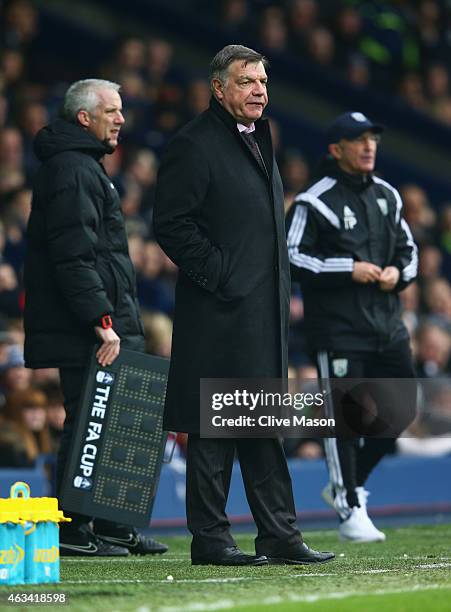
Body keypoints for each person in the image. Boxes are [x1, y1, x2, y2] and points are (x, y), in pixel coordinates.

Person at [153, 44, 334, 566]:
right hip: (218, 313)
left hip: (262, 313)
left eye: (262, 82)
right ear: (218, 88)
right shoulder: (193, 144)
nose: (259, 90)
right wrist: (222, 276)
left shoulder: (260, 137)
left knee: (263, 429)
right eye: (247, 81)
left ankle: (280, 535)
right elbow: (171, 224)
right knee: (214, 429)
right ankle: (210, 540)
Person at [24, 79, 168, 557]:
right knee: (89, 422)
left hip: (107, 319)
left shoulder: (85, 167)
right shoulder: (71, 169)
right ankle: (69, 527)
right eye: (112, 110)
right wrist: (101, 320)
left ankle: (111, 525)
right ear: (83, 117)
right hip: (88, 326)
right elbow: (73, 255)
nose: (122, 118)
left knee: (119, 420)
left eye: (123, 110)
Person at [286, 111, 418, 542]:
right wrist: (348, 268)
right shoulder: (314, 200)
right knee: (346, 420)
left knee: (402, 410)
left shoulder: (387, 196)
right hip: (338, 329)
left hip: (387, 326)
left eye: (372, 140)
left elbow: (409, 252)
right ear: (335, 149)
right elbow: (290, 256)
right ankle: (349, 509)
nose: (368, 147)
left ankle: (348, 483)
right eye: (357, 140)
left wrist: (400, 274)